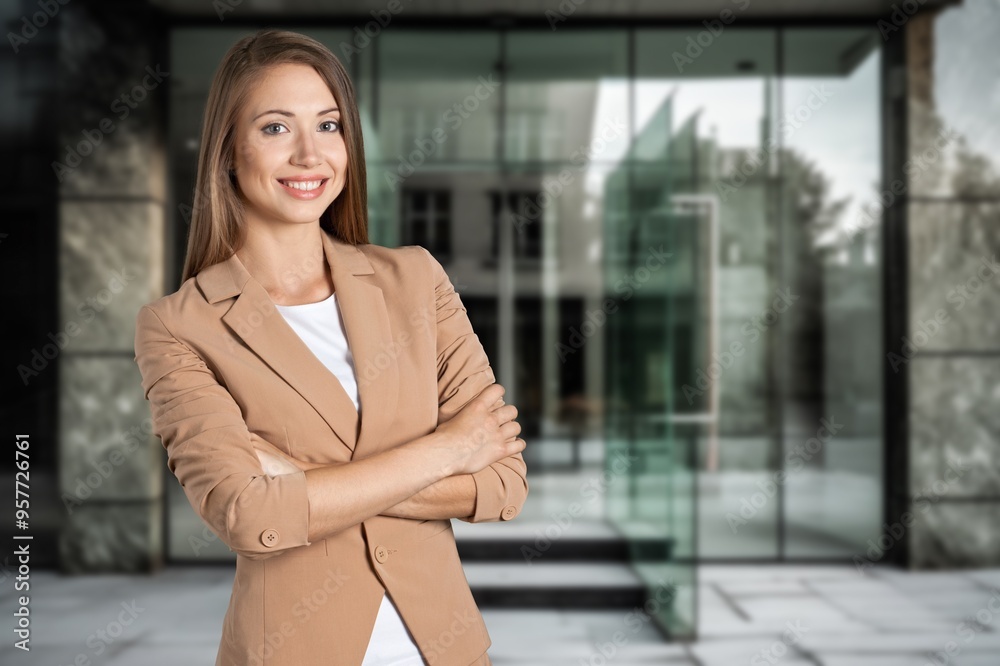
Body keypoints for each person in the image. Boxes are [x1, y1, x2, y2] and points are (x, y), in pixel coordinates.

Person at [133, 28, 528, 666]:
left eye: (329, 125)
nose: (310, 154)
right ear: (228, 151)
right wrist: (449, 450)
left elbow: (503, 484)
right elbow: (247, 515)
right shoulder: (178, 325)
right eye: (275, 128)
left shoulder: (416, 279)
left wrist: (298, 481)